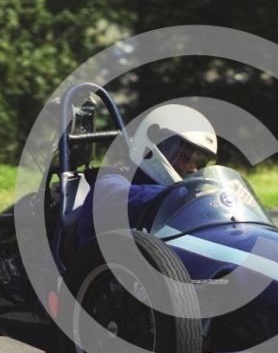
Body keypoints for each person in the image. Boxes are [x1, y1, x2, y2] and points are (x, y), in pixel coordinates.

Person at [77, 104, 218, 247]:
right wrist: (191, 198)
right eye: (184, 156)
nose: (194, 170)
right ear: (155, 143)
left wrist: (230, 202)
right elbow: (128, 198)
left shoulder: (181, 201)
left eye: (200, 164)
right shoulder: (108, 184)